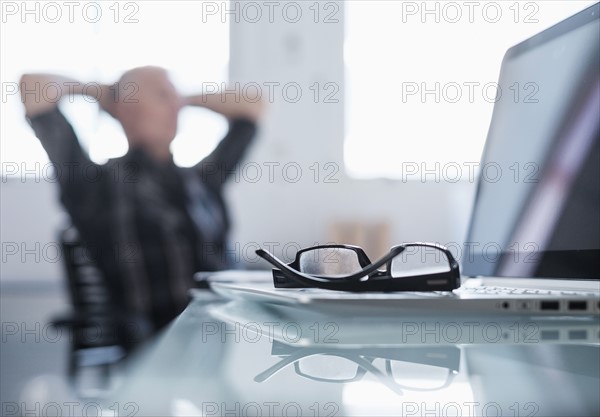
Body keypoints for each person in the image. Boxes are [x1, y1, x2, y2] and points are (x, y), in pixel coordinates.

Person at [20, 67, 264, 336]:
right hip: (154, 345)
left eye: (176, 96)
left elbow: (253, 105)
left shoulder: (203, 179)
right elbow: (33, 87)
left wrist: (184, 99)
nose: (176, 106)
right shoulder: (91, 184)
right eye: (162, 96)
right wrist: (103, 93)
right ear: (125, 108)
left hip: (230, 329)